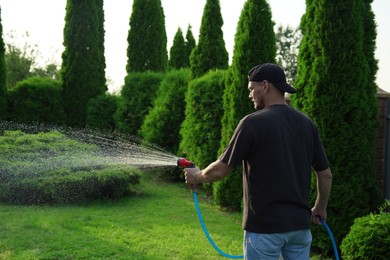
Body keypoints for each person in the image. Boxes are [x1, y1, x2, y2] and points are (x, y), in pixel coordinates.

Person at [184, 63, 333, 260]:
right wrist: (320, 207)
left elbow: (221, 169)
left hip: (265, 228)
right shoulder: (307, 124)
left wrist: (198, 176)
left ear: (265, 85)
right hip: (299, 228)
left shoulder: (252, 123)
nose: (249, 95)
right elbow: (325, 174)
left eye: (251, 89)